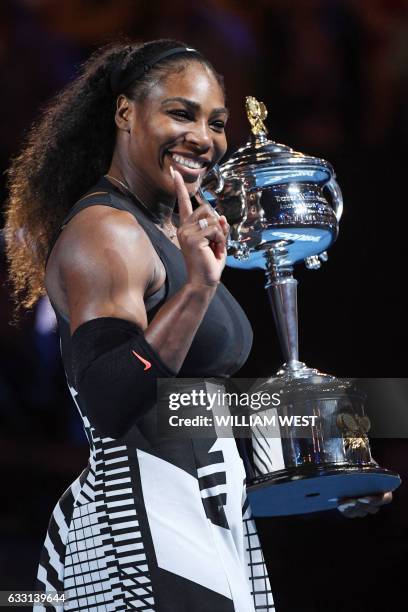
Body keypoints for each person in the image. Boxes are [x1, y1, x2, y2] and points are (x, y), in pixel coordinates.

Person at [4, 38, 391, 612]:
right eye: (180, 113)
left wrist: (322, 458)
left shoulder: (166, 232)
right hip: (135, 534)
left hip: (203, 519)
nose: (203, 139)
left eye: (216, 122)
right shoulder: (105, 233)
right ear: (125, 113)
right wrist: (198, 289)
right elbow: (112, 397)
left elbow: (187, 409)